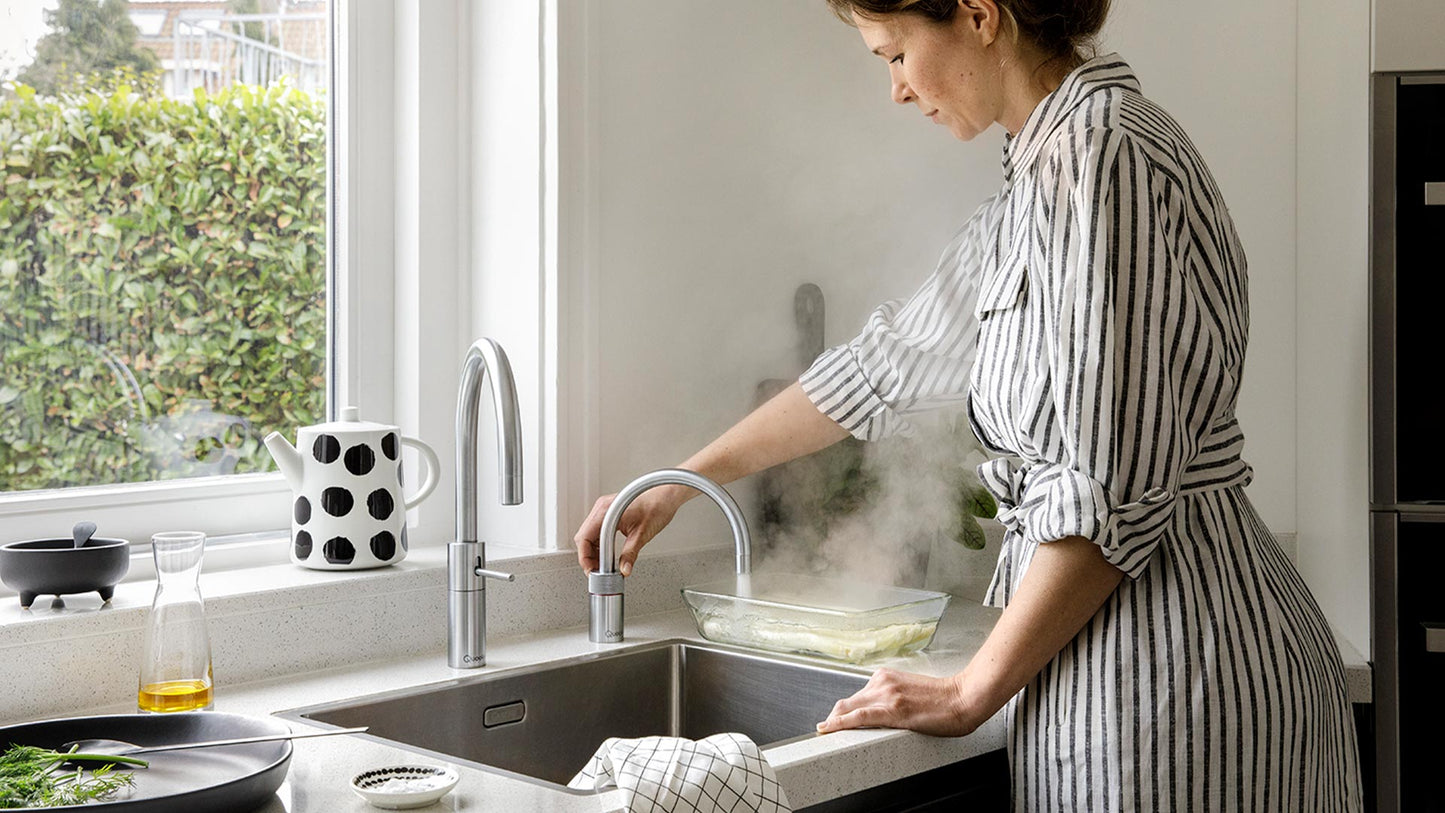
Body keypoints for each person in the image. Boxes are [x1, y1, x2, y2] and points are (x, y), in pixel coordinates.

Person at [573, 0, 1364, 809]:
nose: (895, 89)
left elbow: (1104, 486)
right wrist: (681, 478)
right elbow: (881, 367)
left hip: (1180, 672)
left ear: (979, 16)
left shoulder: (1101, 156)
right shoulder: (1039, 175)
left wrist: (966, 691)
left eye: (893, 53)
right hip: (1111, 668)